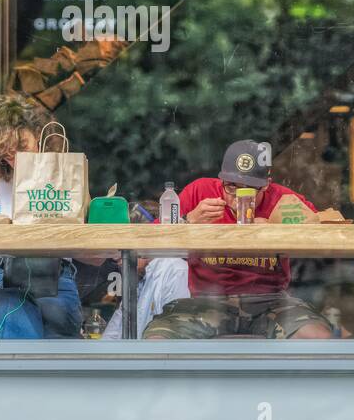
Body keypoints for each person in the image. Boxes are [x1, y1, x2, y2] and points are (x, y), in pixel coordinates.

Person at [142, 140, 334, 339]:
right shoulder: (200, 192)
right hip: (206, 301)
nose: (237, 198)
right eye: (231, 187)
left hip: (270, 301)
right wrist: (188, 221)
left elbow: (320, 236)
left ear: (267, 183)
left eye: (250, 189)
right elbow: (150, 239)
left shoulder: (283, 201)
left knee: (317, 337)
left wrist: (275, 231)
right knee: (158, 339)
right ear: (221, 179)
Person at [0, 93, 83, 339]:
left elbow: (87, 243)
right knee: (14, 317)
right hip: (7, 272)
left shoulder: (63, 173)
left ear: (39, 135)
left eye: (22, 147)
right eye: (6, 153)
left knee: (57, 323)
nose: (16, 158)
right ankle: (24, 375)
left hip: (57, 272)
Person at [102, 257, 190, 339]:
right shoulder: (139, 277)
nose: (120, 263)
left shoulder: (175, 270)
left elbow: (172, 334)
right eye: (116, 261)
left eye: (122, 258)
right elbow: (111, 334)